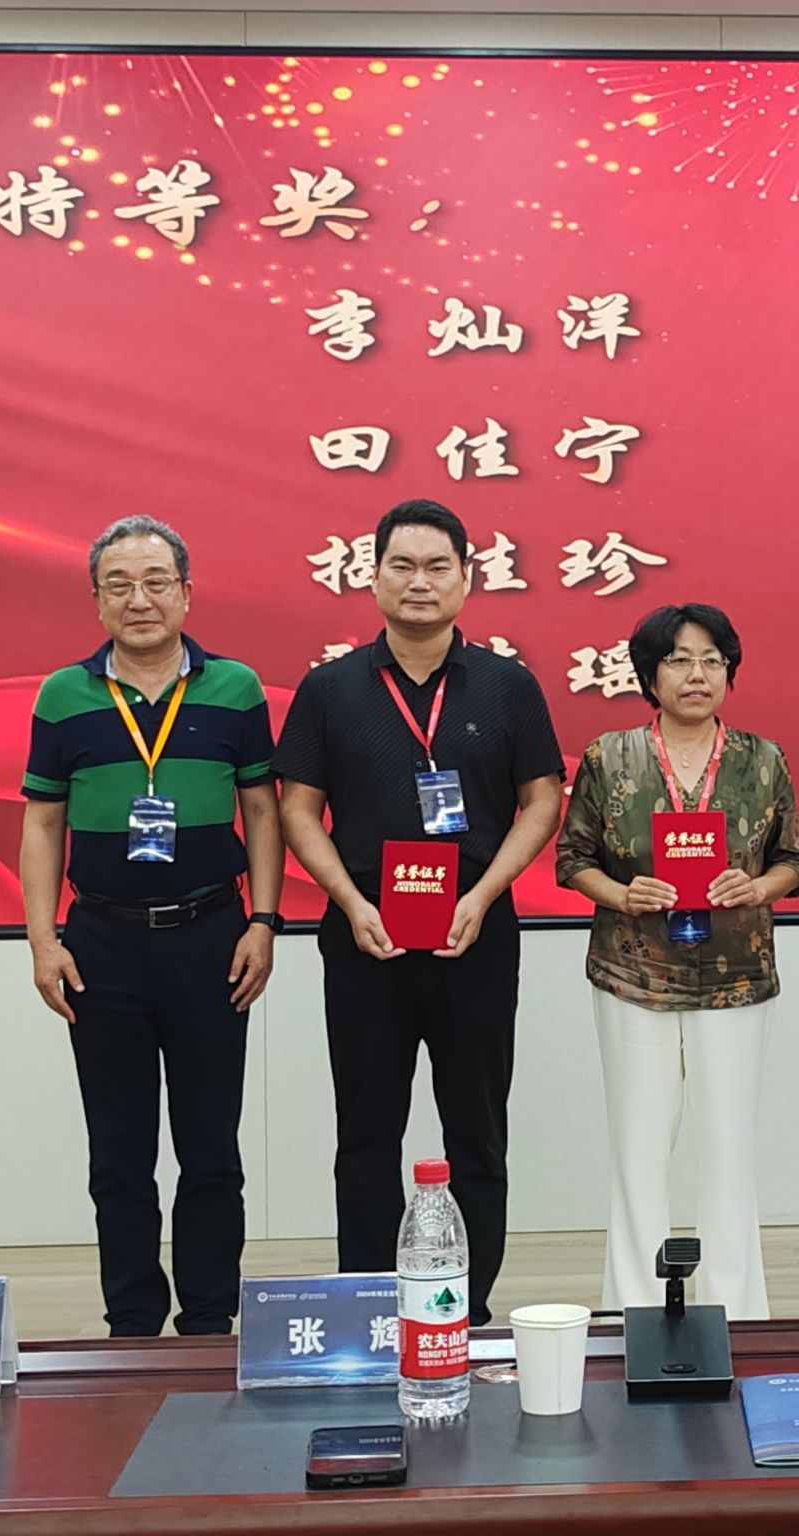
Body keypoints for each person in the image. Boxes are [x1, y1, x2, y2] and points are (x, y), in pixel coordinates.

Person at [275, 498, 564, 1325]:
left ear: (466, 580)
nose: (419, 582)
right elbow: (298, 809)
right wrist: (349, 901)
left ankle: (466, 1307)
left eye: (438, 566)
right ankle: (373, 1300)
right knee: (367, 1129)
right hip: (365, 938)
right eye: (401, 565)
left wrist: (483, 893)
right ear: (372, 578)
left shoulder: (507, 686)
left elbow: (542, 801)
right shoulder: (331, 689)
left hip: (475, 935)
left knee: (478, 1129)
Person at [19, 515, 283, 1337]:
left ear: (186, 593)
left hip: (213, 937)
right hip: (101, 944)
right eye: (120, 585)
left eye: (156, 582)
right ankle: (132, 1322)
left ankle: (208, 1317)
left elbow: (262, 811)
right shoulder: (63, 696)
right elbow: (42, 823)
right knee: (119, 1149)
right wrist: (43, 941)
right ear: (97, 601)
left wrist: (264, 921)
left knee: (211, 1148)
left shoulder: (235, 687)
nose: (139, 600)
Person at [556, 603, 799, 1317]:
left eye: (711, 661)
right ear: (650, 675)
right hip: (633, 973)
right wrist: (622, 893)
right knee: (638, 1151)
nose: (696, 674)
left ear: (728, 673)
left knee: (728, 1152)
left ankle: (737, 1314)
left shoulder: (762, 759)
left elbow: (795, 861)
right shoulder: (611, 757)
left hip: (735, 979)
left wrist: (758, 887)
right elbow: (572, 858)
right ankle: (632, 1310)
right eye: (678, 660)